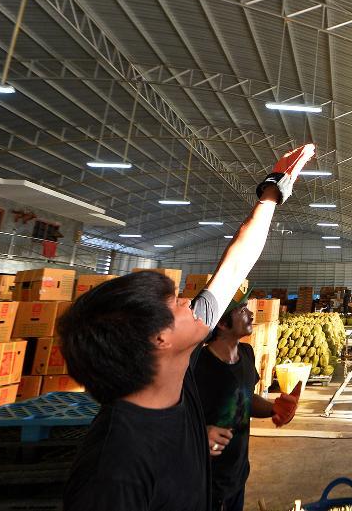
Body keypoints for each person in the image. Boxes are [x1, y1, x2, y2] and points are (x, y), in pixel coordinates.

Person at [58, 144, 315, 511]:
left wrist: (273, 189)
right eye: (174, 303)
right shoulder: (115, 471)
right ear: (159, 339)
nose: (187, 303)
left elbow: (234, 267)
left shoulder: (177, 382)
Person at [194, 298, 302, 511]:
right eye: (242, 311)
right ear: (223, 324)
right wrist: (197, 435)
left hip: (237, 472)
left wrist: (274, 408)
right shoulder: (198, 365)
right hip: (206, 479)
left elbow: (245, 399)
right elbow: (176, 415)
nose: (251, 314)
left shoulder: (246, 353)